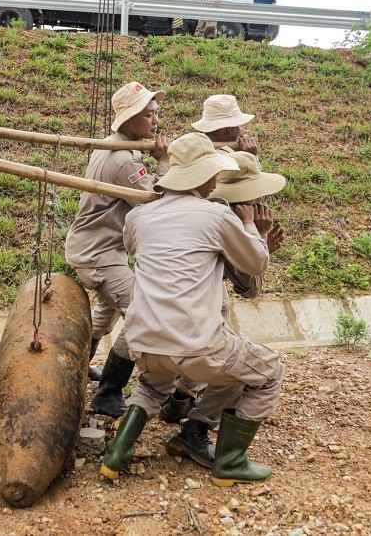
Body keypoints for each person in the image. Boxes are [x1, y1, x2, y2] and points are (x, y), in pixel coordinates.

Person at [101, 133, 284, 487]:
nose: (216, 180)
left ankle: (115, 456)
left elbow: (134, 246)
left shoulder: (139, 217)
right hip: (195, 343)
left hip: (143, 341)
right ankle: (230, 461)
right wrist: (250, 227)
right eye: (213, 173)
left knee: (152, 388)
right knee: (268, 371)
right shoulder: (216, 215)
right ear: (203, 177)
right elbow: (256, 264)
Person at [159, 151, 286, 468]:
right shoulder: (226, 223)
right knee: (259, 369)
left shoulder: (194, 209)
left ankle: (181, 409)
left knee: (231, 359)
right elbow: (250, 288)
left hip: (155, 326)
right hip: (195, 331)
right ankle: (226, 457)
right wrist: (255, 237)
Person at [64, 81, 170, 418]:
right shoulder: (125, 161)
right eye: (149, 114)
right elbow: (156, 202)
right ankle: (108, 392)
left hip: (98, 245)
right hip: (100, 253)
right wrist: (164, 162)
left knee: (105, 312)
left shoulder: (110, 145)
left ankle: (79, 368)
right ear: (129, 119)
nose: (156, 120)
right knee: (143, 312)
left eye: (156, 113)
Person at [191, 94, 259, 155]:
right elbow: (252, 169)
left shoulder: (193, 150)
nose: (240, 130)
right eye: (238, 126)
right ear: (229, 129)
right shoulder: (228, 156)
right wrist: (250, 155)